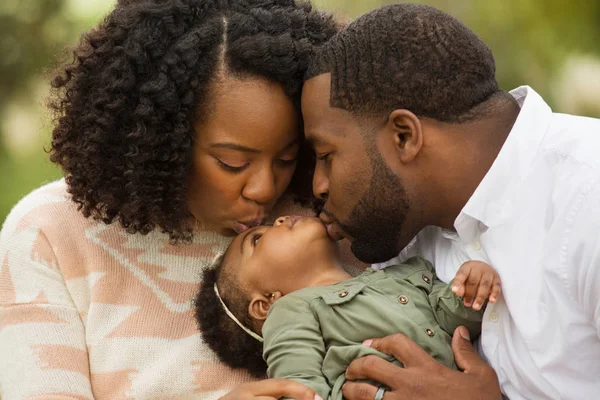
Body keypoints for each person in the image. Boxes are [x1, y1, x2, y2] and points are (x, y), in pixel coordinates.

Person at [0, 0, 341, 398]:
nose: (265, 189)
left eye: (287, 157)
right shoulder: (50, 235)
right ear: (161, 142)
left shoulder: (324, 221)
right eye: (232, 163)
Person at [299, 3, 600, 400]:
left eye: (325, 155)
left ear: (404, 136)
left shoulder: (587, 198)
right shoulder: (406, 228)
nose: (318, 186)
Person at [195, 215, 499, 400]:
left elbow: (457, 324)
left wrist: (470, 287)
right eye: (257, 239)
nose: (277, 220)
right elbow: (300, 387)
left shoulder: (404, 271)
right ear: (267, 303)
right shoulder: (290, 312)